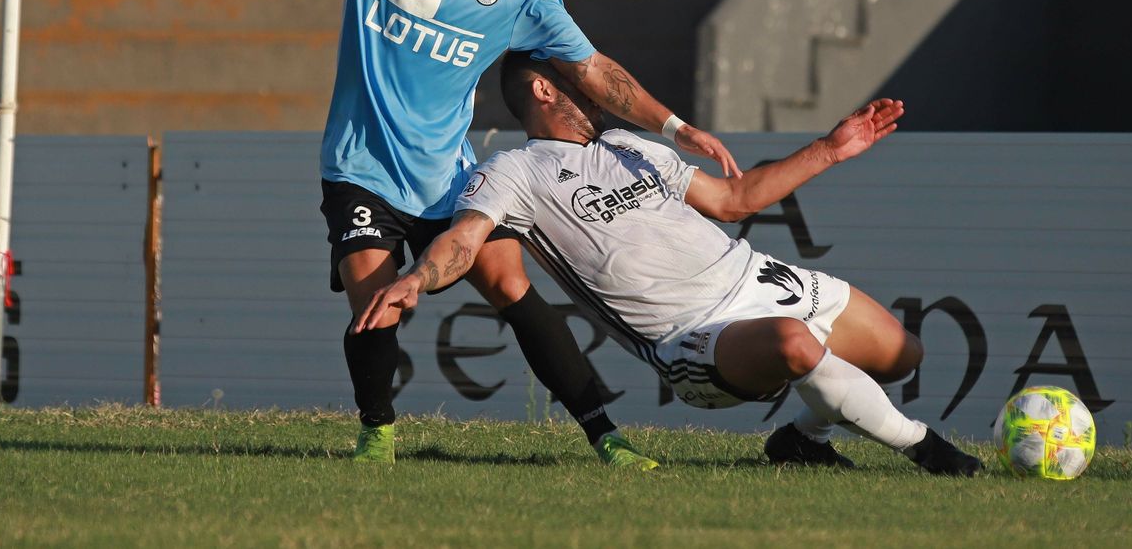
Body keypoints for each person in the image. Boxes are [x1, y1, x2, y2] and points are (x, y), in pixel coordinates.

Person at [92, 0, 742, 469]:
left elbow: (592, 69)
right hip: (359, 169)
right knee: (376, 301)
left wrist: (677, 128)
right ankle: (378, 435)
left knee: (512, 285)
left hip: (448, 178)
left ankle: (607, 437)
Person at [358, 52, 984, 475]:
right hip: (693, 338)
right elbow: (465, 240)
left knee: (903, 354)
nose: (598, 87)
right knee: (795, 345)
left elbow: (733, 200)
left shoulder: (628, 144)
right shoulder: (514, 173)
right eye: (582, 79)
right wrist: (416, 278)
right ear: (544, 89)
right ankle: (929, 451)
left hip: (758, 280)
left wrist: (831, 149)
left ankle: (801, 440)